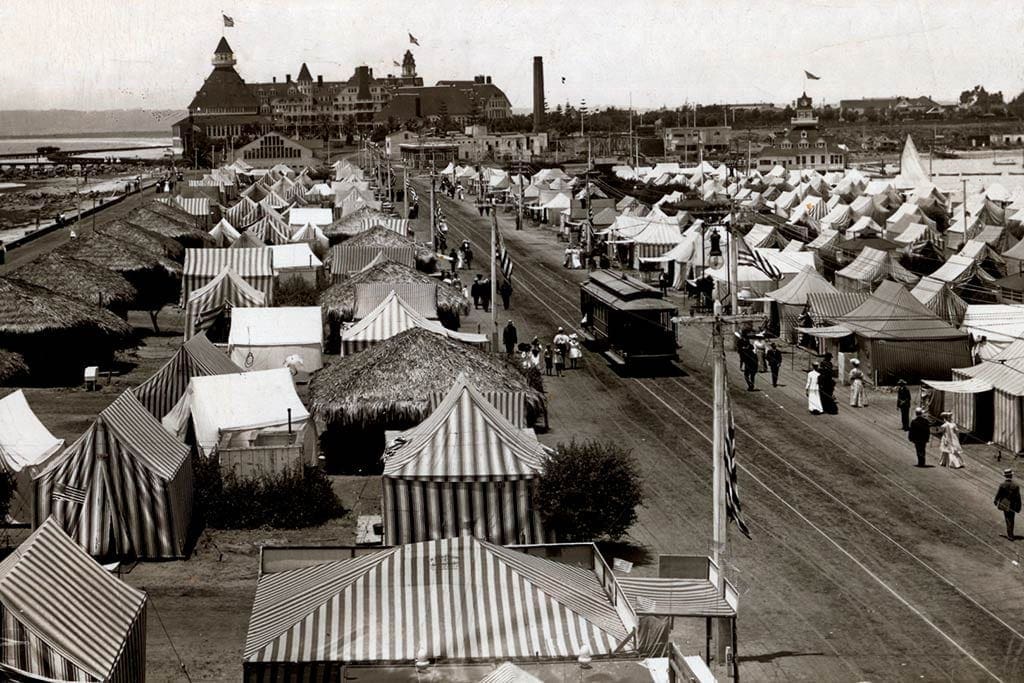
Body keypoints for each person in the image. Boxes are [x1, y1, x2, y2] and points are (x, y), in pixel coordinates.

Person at [994, 469, 1021, 540]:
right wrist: (1019, 507)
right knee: (1011, 519)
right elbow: (1018, 498)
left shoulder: (1002, 485)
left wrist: (996, 501)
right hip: (1013, 505)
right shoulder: (1016, 485)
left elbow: (998, 494)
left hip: (1004, 504)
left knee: (1007, 519)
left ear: (1005, 476)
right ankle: (1010, 533)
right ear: (1011, 475)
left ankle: (1010, 535)